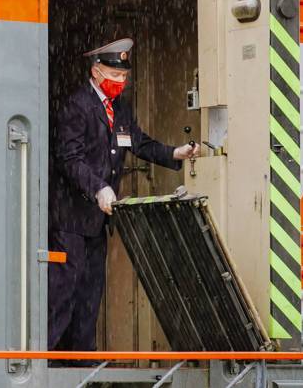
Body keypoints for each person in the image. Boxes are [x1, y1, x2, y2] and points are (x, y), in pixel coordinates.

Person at [48, 38, 199, 364]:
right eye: (114, 76)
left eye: (123, 77)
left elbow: (139, 143)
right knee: (62, 293)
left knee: (90, 294)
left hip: (97, 222)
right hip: (70, 221)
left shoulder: (120, 109)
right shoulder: (77, 106)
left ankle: (80, 364)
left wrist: (174, 153)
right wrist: (99, 188)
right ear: (96, 71)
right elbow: (69, 158)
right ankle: (43, 362)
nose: (120, 82)